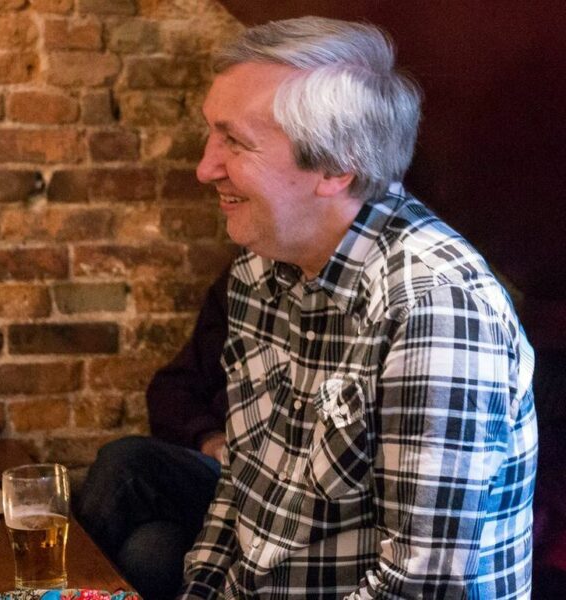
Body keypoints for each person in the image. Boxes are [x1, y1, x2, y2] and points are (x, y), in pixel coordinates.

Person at [177, 16, 538, 599]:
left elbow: (419, 586)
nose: (204, 167)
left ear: (335, 167)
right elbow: (242, 492)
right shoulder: (260, 264)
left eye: (234, 141)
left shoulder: (435, 307)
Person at [75, 268, 229, 600]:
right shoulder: (242, 281)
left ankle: (59, 590)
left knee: (124, 461)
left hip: (264, 481)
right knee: (148, 553)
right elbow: (170, 389)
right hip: (215, 464)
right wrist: (209, 437)